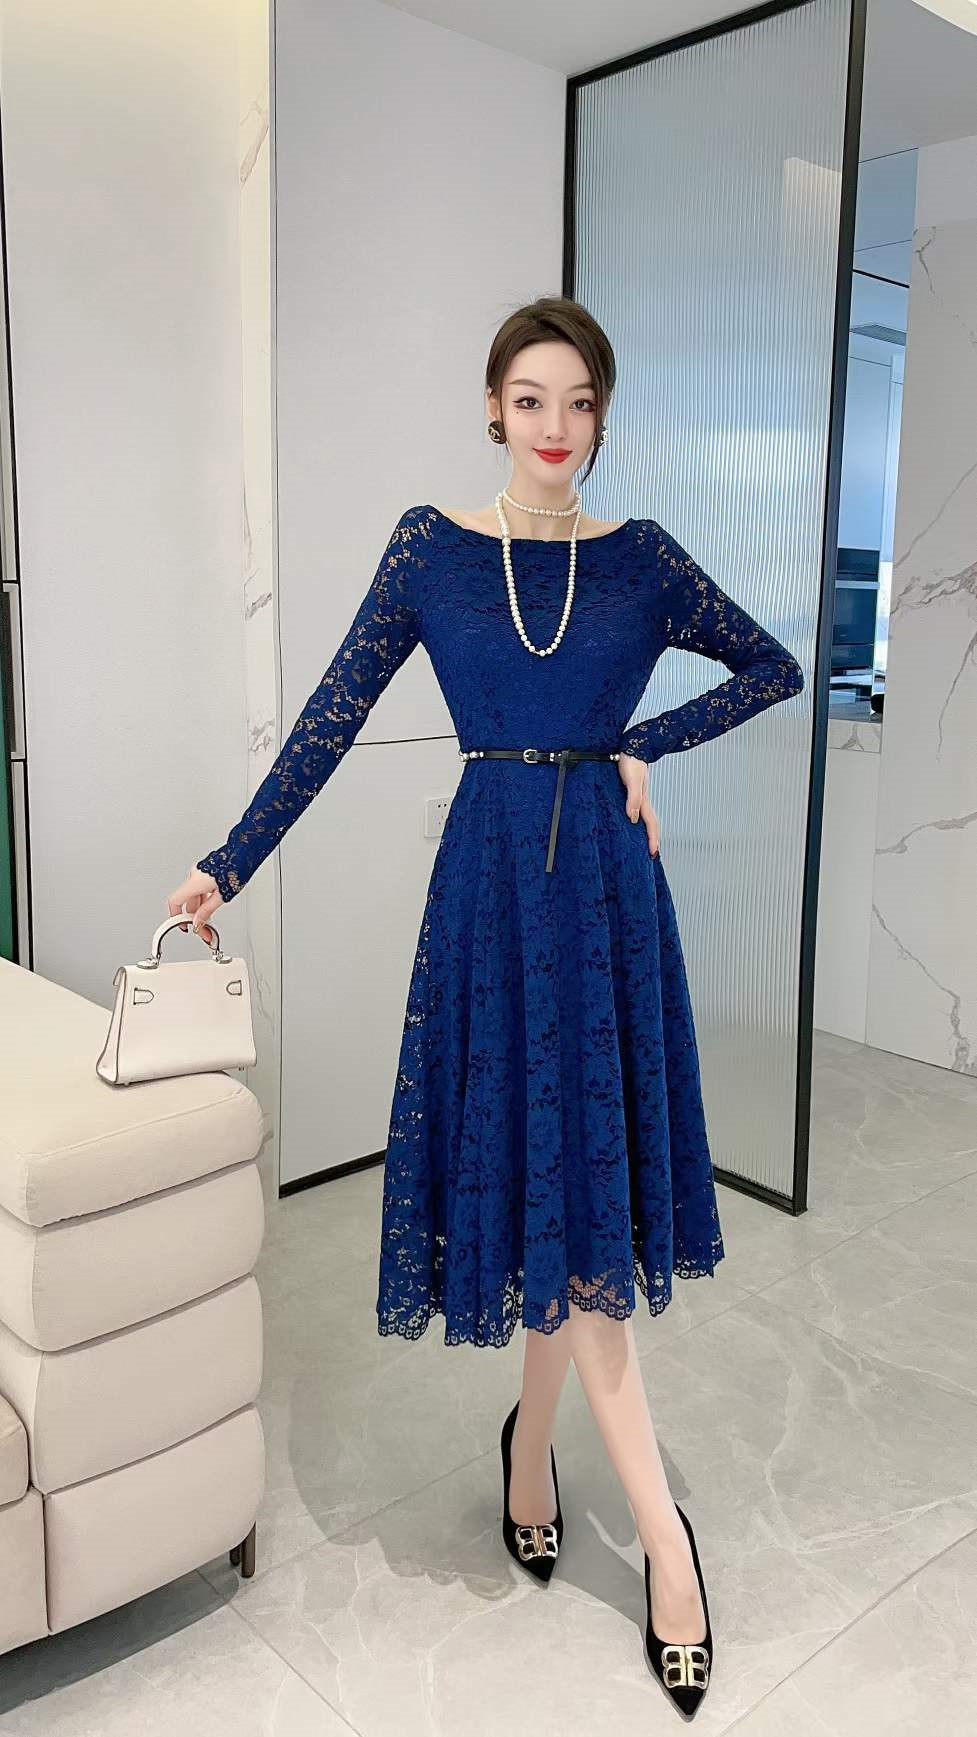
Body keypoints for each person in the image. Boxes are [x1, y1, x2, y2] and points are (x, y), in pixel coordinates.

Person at [167, 295, 804, 1716]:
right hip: (489, 902)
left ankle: (640, 1529)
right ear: (494, 407)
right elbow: (330, 719)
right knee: (539, 1184)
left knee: (576, 1200)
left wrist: (644, 740)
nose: (555, 427)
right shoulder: (433, 551)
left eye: (578, 402)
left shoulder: (642, 562)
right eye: (531, 400)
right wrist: (230, 861)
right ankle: (555, 1470)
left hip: (606, 908)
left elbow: (774, 666)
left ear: (603, 413)